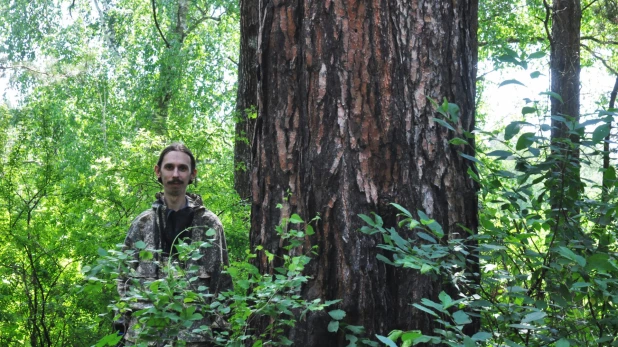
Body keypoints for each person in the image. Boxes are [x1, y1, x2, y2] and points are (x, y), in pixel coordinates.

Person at [117, 143, 232, 346]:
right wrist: (121, 327)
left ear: (193, 174)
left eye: (182, 168)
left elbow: (222, 285)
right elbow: (124, 281)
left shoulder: (210, 225)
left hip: (196, 339)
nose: (175, 174)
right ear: (158, 171)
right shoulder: (142, 224)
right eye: (169, 167)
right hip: (146, 337)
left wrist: (222, 333)